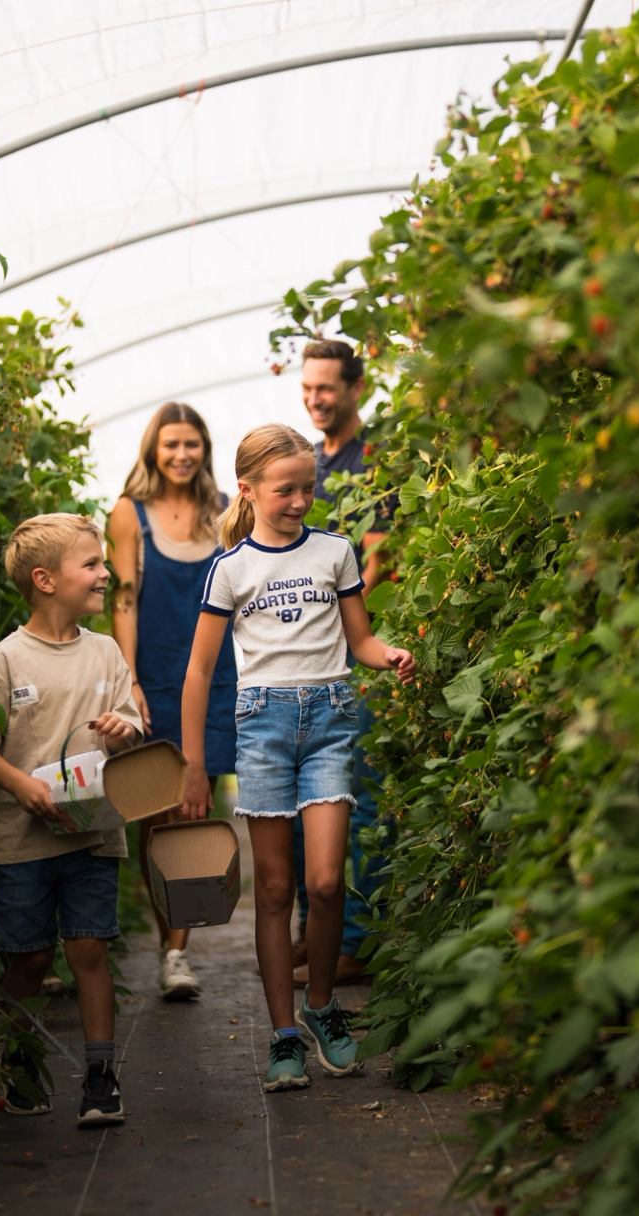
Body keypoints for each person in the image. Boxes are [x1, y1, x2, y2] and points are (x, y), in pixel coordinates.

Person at [177, 424, 416, 1091]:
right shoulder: (232, 570)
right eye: (287, 490)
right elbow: (199, 673)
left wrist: (387, 654)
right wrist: (195, 764)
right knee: (277, 889)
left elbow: (359, 640)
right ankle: (284, 1035)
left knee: (327, 880)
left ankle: (322, 1010)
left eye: (308, 486)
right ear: (249, 490)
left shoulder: (335, 553)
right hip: (263, 728)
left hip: (332, 721)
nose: (301, 500)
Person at [0, 513, 145, 1127]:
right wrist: (20, 785)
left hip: (94, 833)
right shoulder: (5, 660)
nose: (104, 573)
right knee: (29, 959)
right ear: (45, 579)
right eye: (90, 564)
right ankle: (18, 1057)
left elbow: (132, 725)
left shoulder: (106, 651)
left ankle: (100, 1077)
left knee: (89, 949)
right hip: (24, 840)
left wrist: (124, 730)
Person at [106, 402, 239, 1002]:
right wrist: (128, 676)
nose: (182, 455)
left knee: (196, 809)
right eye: (171, 445)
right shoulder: (128, 514)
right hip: (156, 678)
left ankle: (180, 951)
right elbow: (125, 601)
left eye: (192, 444)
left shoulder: (224, 512)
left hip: (217, 679)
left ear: (204, 449)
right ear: (153, 450)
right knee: (158, 817)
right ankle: (169, 945)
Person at [291, 339, 393, 987]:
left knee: (360, 799)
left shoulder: (374, 459)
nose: (315, 398)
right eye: (307, 388)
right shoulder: (312, 461)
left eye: (326, 388)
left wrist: (338, 621)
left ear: (356, 386)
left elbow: (381, 560)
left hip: (356, 654)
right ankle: (318, 930)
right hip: (309, 655)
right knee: (310, 796)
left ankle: (362, 941)